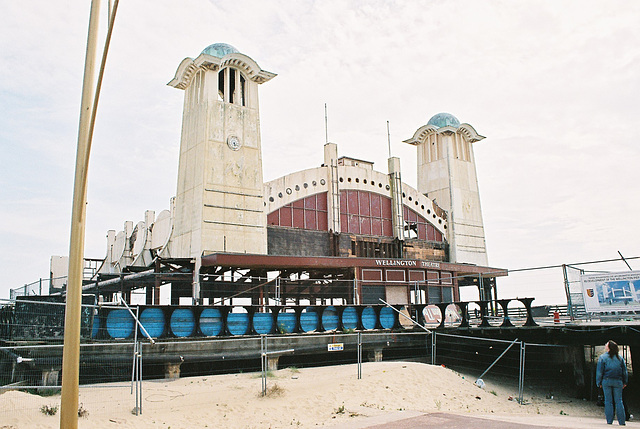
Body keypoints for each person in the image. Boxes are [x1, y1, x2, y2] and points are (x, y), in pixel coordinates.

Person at [596, 340, 628, 425]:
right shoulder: (620, 358)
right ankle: (622, 421)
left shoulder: (602, 357)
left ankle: (609, 421)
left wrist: (598, 382)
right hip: (618, 381)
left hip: (606, 380)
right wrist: (625, 381)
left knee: (608, 401)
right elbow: (624, 371)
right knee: (619, 401)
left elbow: (600, 371)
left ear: (608, 347)